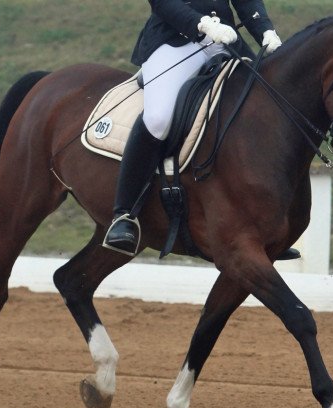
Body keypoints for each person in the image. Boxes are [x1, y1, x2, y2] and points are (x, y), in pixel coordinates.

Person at [103, 0, 283, 255]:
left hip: (223, 42)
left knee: (262, 109)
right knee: (159, 119)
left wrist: (265, 29)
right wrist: (201, 24)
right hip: (174, 40)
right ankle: (124, 215)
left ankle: (265, 224)